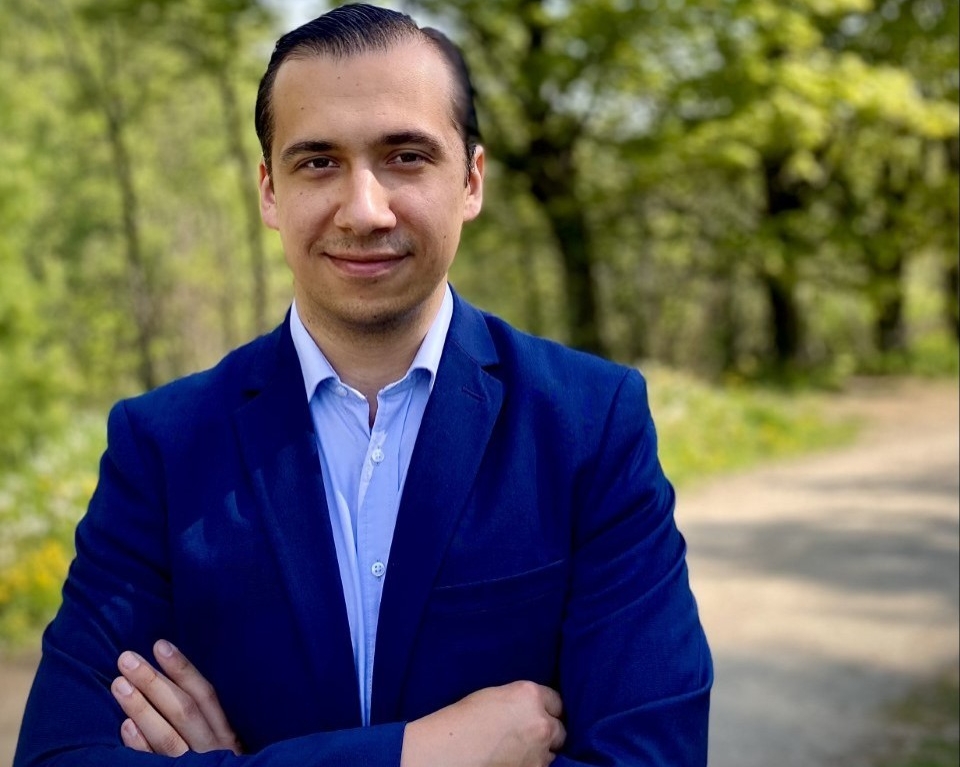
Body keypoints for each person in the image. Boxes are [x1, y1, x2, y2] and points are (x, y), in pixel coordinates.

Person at [14, 4, 712, 765]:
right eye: (318, 162)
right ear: (270, 192)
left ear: (471, 181)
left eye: (406, 157)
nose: (364, 209)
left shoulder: (589, 423)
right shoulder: (162, 446)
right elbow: (61, 754)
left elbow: (653, 753)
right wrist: (418, 753)